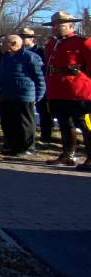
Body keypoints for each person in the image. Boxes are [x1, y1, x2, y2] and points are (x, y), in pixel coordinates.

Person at [42, 11, 91, 169]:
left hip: (79, 91)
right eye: (54, 25)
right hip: (58, 91)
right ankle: (68, 155)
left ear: (71, 26)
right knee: (65, 124)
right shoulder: (52, 44)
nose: (56, 28)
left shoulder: (82, 42)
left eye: (60, 25)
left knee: (85, 125)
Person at [0, 34, 45, 157]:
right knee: (13, 122)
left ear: (14, 44)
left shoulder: (30, 57)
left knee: (25, 123)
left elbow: (39, 78)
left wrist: (38, 96)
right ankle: (16, 146)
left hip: (25, 95)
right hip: (9, 95)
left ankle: (28, 148)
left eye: (4, 43)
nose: (1, 45)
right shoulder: (6, 57)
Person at [22, 27, 52, 143]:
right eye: (22, 37)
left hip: (39, 84)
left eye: (26, 37)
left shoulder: (40, 52)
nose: (24, 39)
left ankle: (46, 135)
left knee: (44, 111)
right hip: (26, 85)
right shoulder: (19, 52)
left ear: (32, 38)